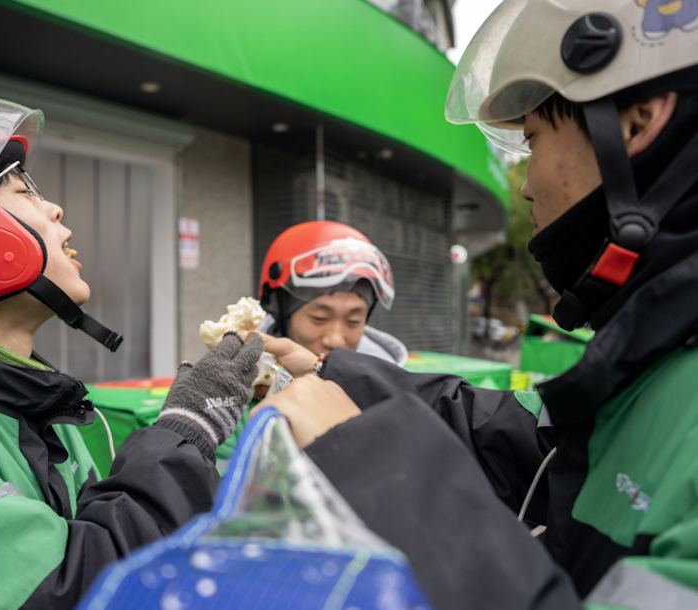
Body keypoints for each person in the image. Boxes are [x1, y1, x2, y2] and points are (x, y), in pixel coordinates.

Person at [257, 1, 698, 608]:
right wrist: (333, 375)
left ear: (635, 123)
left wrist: (368, 460)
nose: (527, 184)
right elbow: (507, 433)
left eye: (533, 140)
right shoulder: (649, 359)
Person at [0, 96, 263, 609]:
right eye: (24, 191)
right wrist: (186, 432)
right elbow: (77, 591)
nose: (56, 209)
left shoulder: (42, 409)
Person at [258, 220, 408, 366]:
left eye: (354, 321)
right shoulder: (248, 371)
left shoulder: (387, 375)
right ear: (280, 310)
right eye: (319, 318)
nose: (335, 341)